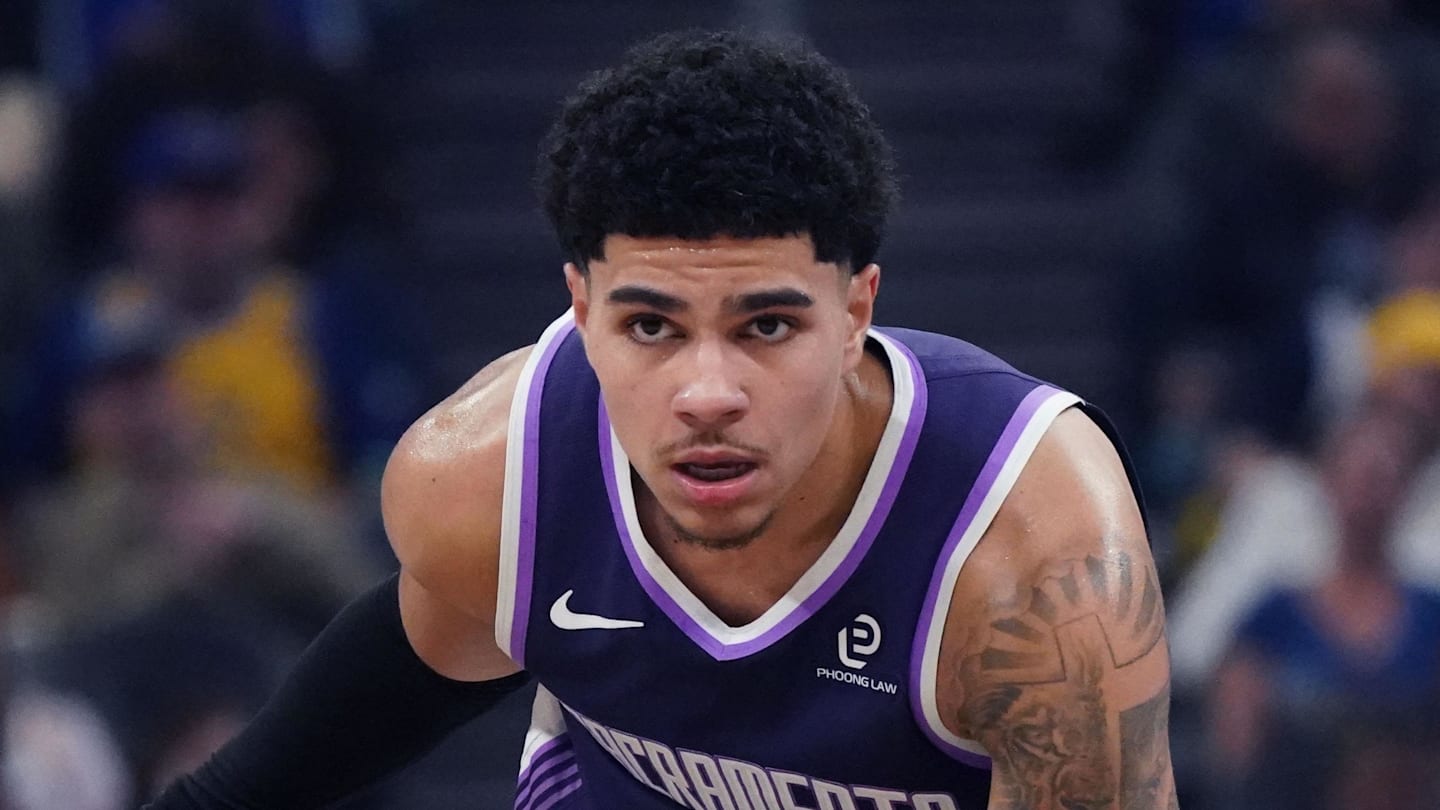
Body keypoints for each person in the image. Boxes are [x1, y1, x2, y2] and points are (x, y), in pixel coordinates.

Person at [147, 30, 1177, 809]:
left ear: (858, 309)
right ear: (581, 310)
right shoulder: (489, 472)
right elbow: (421, 658)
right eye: (651, 325)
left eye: (767, 323)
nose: (708, 392)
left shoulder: (1040, 567)